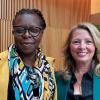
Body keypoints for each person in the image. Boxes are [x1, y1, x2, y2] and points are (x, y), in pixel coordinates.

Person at [0, 8, 57, 100]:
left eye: (34, 30)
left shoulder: (49, 67)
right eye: (20, 30)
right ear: (13, 32)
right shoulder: (1, 63)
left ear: (41, 33)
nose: (26, 35)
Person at [55, 22, 100, 100]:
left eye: (88, 42)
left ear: (96, 46)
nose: (82, 47)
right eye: (76, 42)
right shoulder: (57, 78)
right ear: (69, 47)